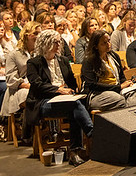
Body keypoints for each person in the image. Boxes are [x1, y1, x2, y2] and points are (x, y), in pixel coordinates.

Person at [25, 29, 93, 166]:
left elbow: (72, 81)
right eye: (55, 42)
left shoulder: (62, 60)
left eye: (59, 41)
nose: (58, 44)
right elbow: (37, 84)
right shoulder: (34, 63)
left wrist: (76, 91)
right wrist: (58, 90)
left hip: (66, 100)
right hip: (43, 102)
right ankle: (91, 135)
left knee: (75, 107)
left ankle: (75, 152)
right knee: (75, 106)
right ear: (45, 43)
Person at [80, 31, 136, 111]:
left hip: (117, 89)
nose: (108, 44)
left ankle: (127, 118)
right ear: (96, 46)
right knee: (119, 99)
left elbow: (121, 77)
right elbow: (92, 85)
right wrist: (118, 87)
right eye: (104, 43)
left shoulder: (114, 56)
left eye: (109, 41)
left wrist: (128, 83)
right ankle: (128, 118)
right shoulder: (89, 60)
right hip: (97, 93)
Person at [1, 22, 39, 144]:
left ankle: (50, 131)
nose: (38, 36)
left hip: (35, 85)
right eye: (35, 33)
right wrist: (27, 85)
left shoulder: (39, 53)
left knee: (47, 92)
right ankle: (28, 133)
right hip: (17, 89)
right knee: (31, 95)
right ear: (27, 35)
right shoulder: (14, 54)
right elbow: (11, 79)